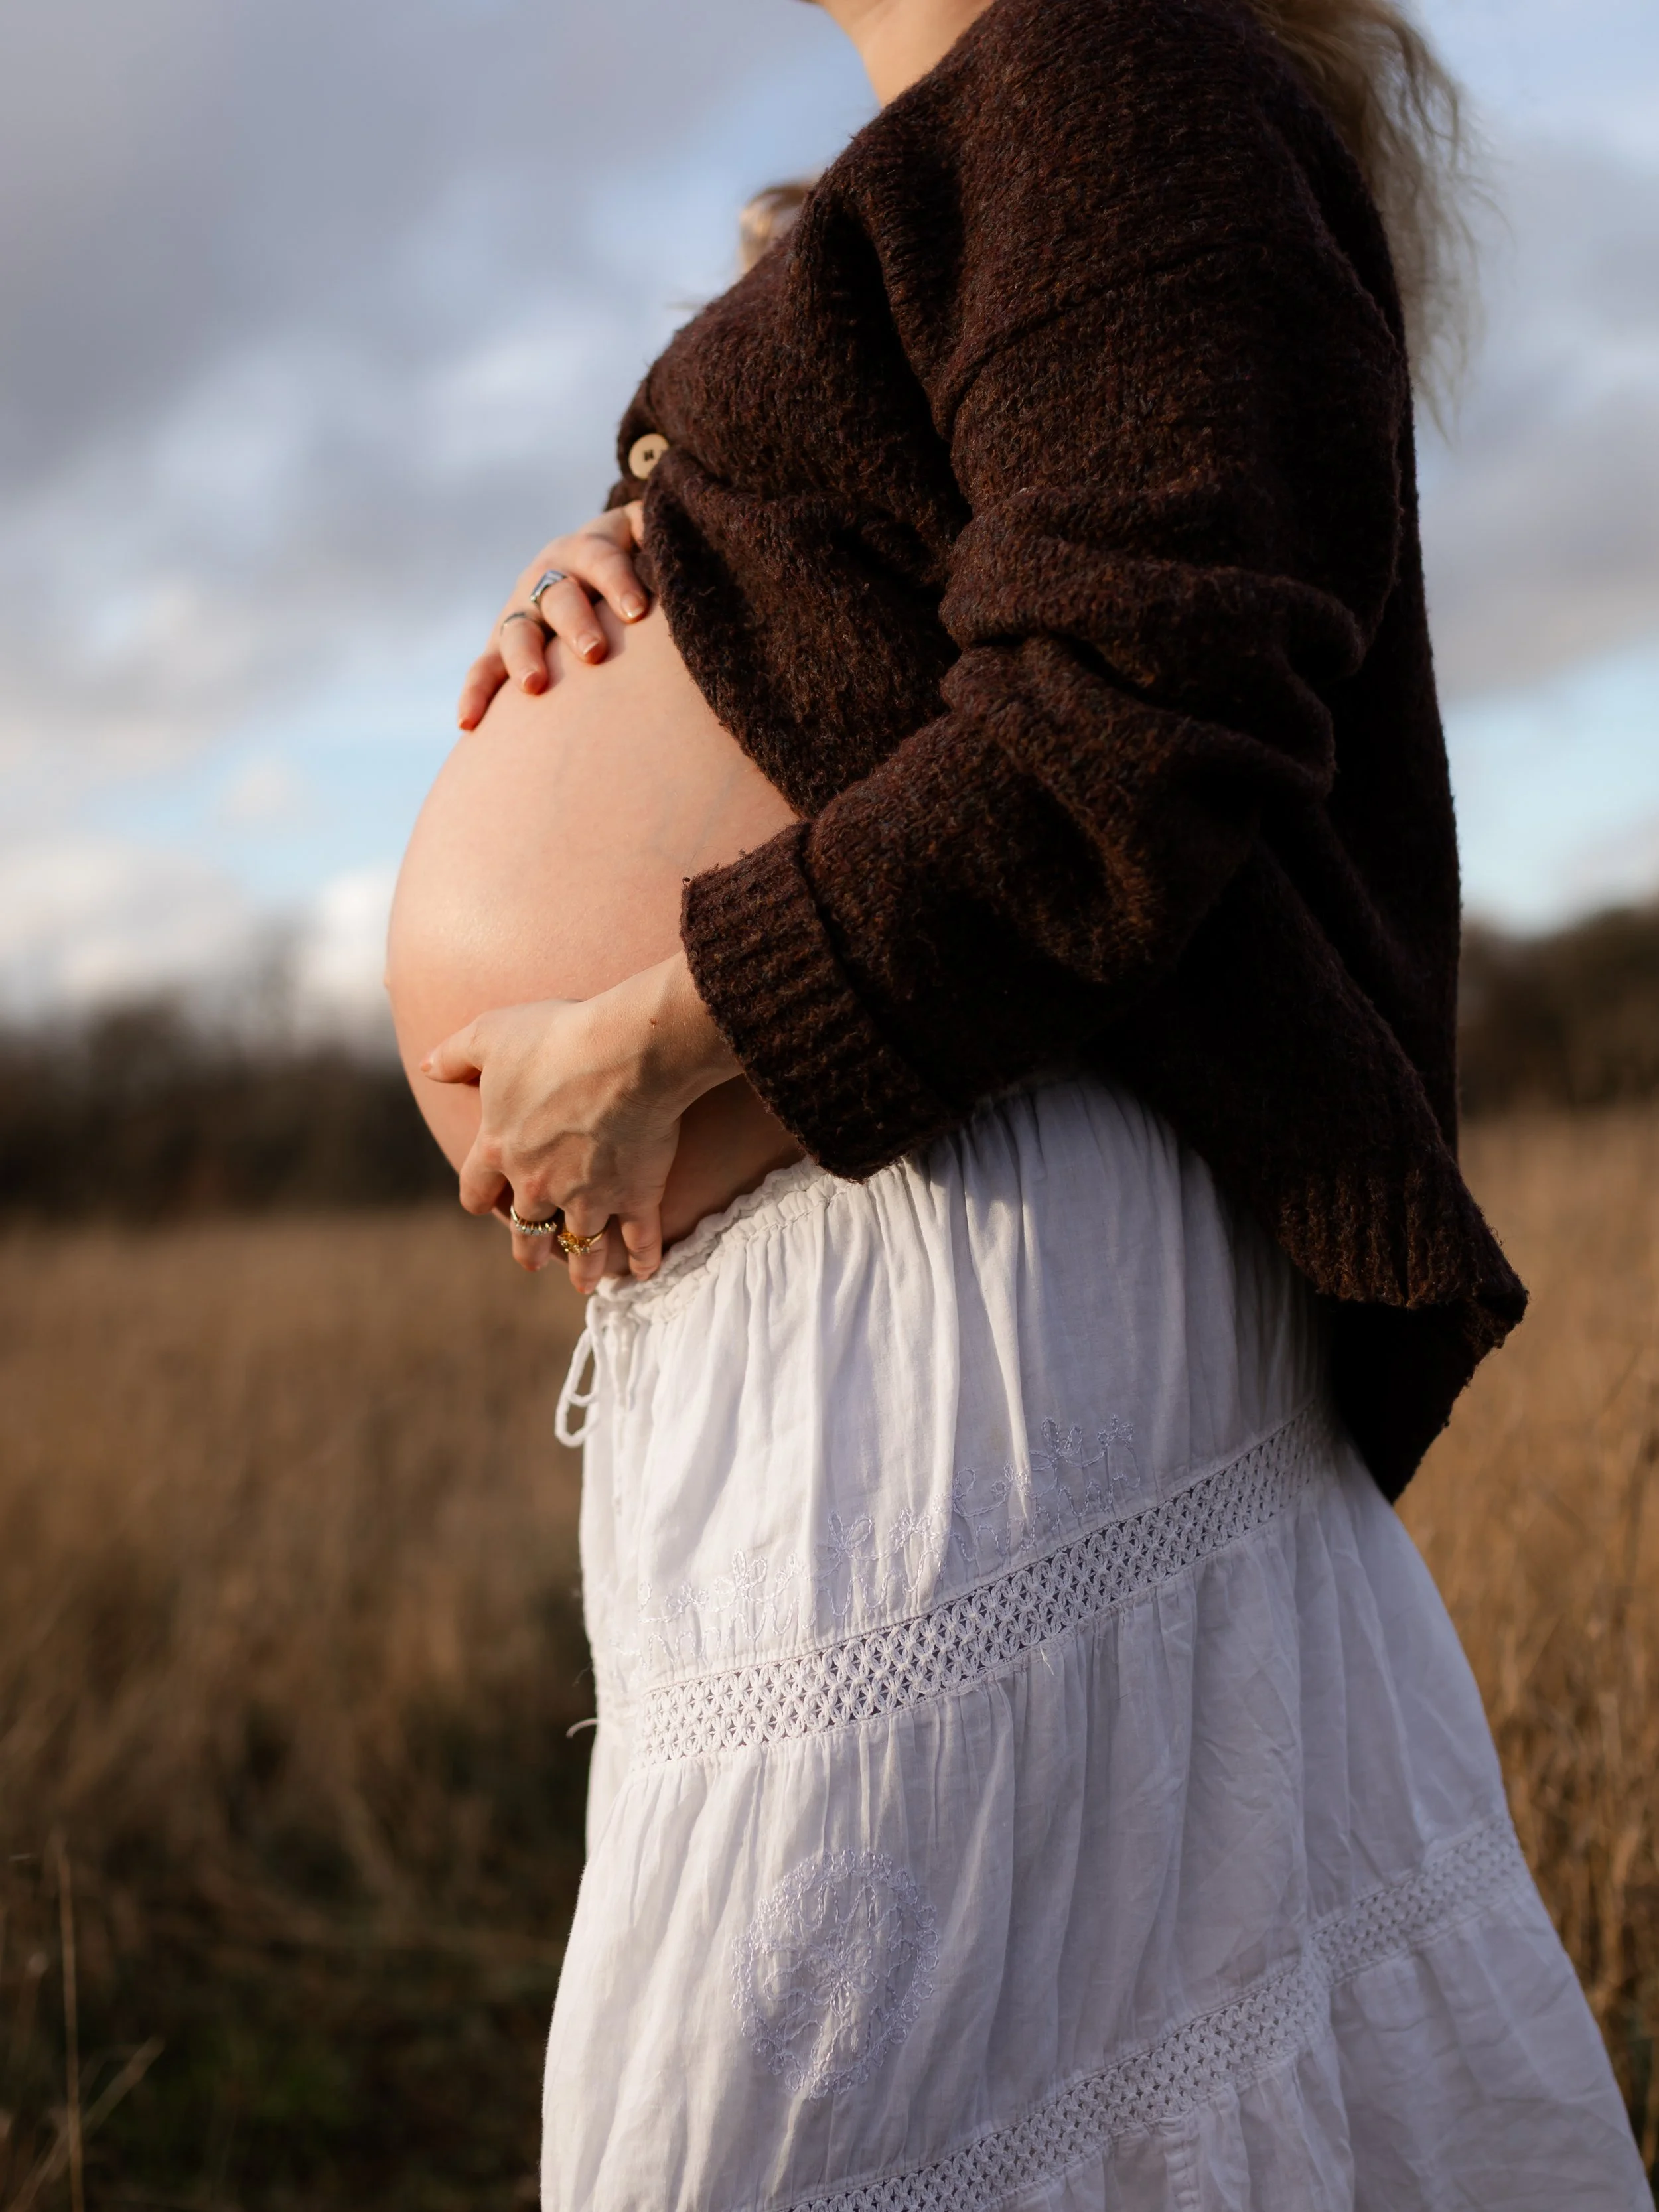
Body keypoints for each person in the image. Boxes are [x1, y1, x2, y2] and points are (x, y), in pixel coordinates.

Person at [418, 0, 1652, 2202]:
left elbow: (1139, 700)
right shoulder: (975, 145)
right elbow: (884, 623)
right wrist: (626, 548)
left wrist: (658, 1038)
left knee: (813, 2100)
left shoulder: (1113, 70)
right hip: (876, 1243)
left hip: (974, 1243)